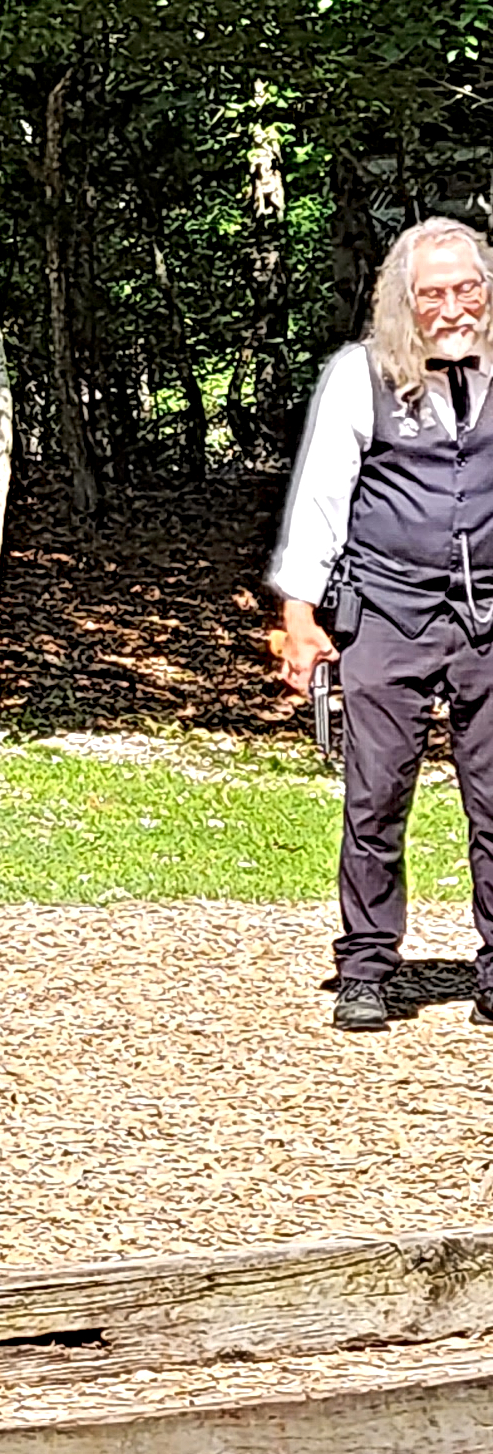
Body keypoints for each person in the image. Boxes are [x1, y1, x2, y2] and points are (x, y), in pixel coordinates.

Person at [268, 214, 493, 1032]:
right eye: (432, 294)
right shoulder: (358, 374)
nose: (452, 307)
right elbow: (321, 498)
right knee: (375, 798)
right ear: (405, 302)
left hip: (489, 619)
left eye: (465, 288)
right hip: (388, 612)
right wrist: (300, 614)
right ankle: (366, 965)